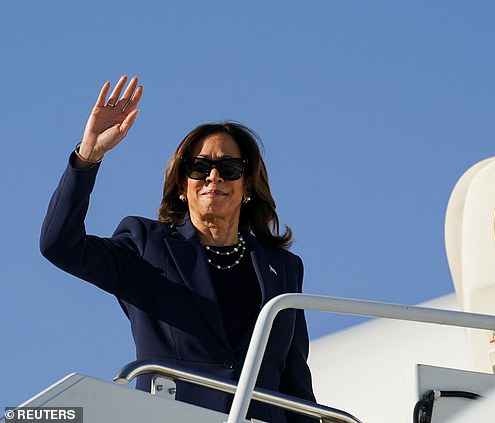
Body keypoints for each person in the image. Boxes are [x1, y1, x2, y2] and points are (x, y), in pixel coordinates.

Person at [40, 75, 316, 422]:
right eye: (199, 167)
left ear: (247, 186)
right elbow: (59, 245)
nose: (213, 177)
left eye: (229, 168)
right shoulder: (146, 245)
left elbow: (295, 384)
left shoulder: (283, 268)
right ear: (182, 185)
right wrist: (88, 156)